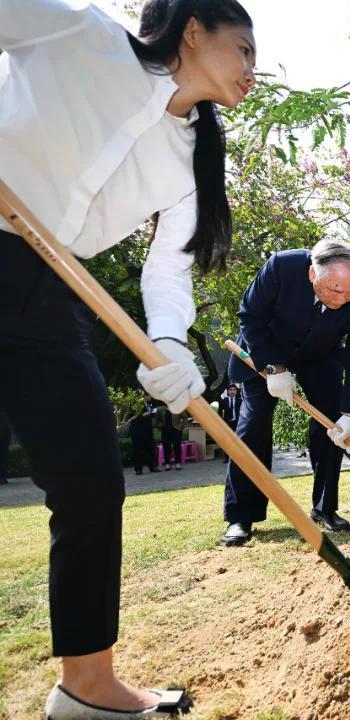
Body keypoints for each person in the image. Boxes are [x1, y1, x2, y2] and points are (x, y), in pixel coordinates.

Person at [0, 0, 255, 715]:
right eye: (244, 50)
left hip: (49, 289)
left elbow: (167, 271)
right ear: (194, 30)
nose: (252, 71)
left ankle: (86, 685)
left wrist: (168, 344)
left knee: (90, 480)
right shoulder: (80, 33)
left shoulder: (192, 157)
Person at [222, 239, 350, 546]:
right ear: (312, 274)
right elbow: (250, 316)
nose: (343, 299)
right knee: (253, 426)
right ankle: (241, 516)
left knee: (333, 425)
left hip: (319, 357)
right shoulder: (282, 266)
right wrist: (274, 369)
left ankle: (324, 508)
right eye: (335, 290)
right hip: (263, 352)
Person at [130, 393, 161, 476]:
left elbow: (155, 411)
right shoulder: (137, 404)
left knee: (151, 448)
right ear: (145, 396)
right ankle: (138, 469)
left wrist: (150, 412)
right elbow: (132, 416)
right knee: (138, 450)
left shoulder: (150, 404)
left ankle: (153, 467)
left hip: (148, 430)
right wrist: (142, 415)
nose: (151, 397)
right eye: (150, 395)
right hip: (138, 431)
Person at [0, 409, 12, 485]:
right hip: (4, 434)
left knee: (3, 455)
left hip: (4, 435)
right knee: (3, 455)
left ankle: (2, 476)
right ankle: (2, 477)